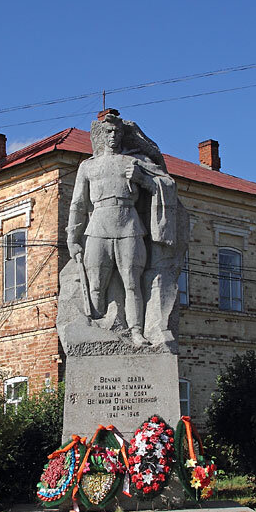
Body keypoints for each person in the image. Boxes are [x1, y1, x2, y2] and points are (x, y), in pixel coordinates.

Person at [66, 110, 163, 346]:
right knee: (96, 285)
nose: (113, 136)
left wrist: (144, 180)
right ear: (100, 134)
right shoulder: (87, 167)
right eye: (108, 131)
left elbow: (165, 184)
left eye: (117, 131)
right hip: (97, 226)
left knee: (132, 284)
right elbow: (78, 204)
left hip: (128, 225)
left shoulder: (134, 163)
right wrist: (72, 238)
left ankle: (137, 332)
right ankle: (97, 329)